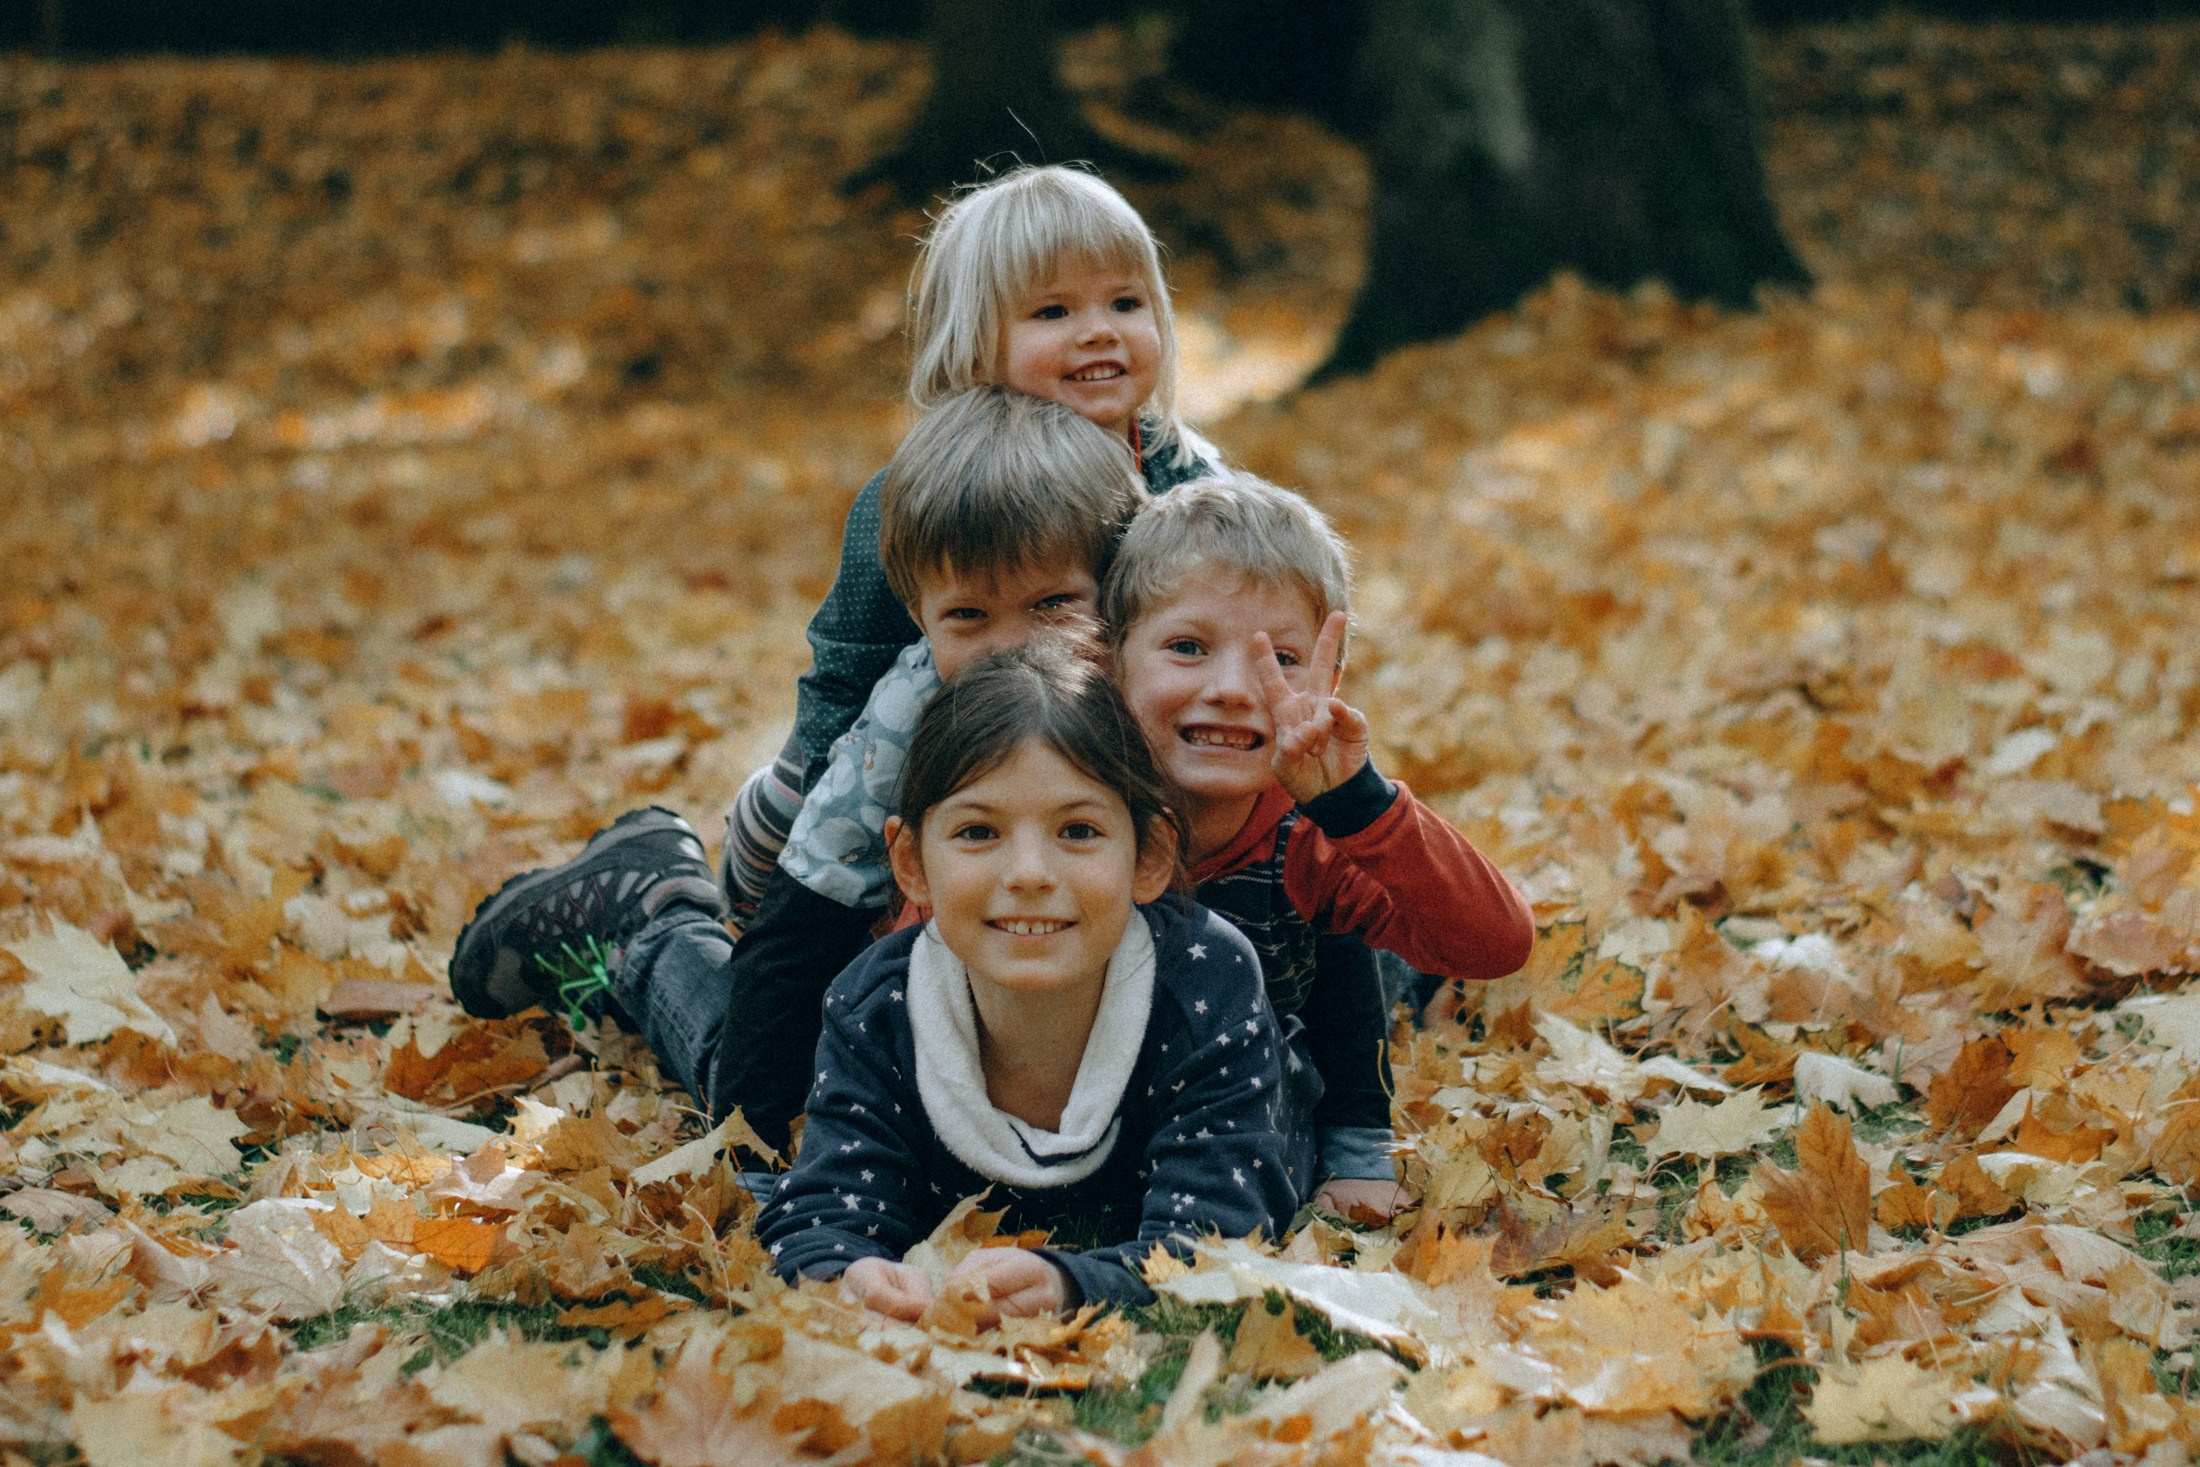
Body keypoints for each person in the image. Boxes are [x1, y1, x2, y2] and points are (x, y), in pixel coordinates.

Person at [446, 387, 1146, 1151]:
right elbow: (807, 913)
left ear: (1113, 593)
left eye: (1050, 606)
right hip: (876, 960)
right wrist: (748, 1132)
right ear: (920, 616)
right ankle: (651, 924)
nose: (1010, 646)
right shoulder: (901, 726)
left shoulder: (1147, 684)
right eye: (969, 617)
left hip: (1054, 975)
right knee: (799, 1076)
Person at [721, 163, 1215, 922]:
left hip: (1106, 726)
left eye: (1125, 301)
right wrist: (815, 796)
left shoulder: (1188, 475)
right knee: (782, 851)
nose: (1098, 330)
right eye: (1052, 311)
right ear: (978, 343)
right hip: (924, 724)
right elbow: (849, 666)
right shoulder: (916, 492)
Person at [759, 639, 1299, 1319]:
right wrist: (851, 1272)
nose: (1029, 873)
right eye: (979, 832)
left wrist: (1074, 1282)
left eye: (1077, 830)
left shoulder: (1205, 985)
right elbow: (821, 1207)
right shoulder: (879, 1005)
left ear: (1151, 855)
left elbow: (1223, 1236)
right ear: (912, 862)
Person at [1102, 471, 1537, 1219]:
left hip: (1301, 1004)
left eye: (1282, 660)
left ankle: (1388, 1058)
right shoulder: (1075, 811)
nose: (1234, 688)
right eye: (1187, 647)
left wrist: (1357, 801)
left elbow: (1499, 941)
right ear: (1112, 660)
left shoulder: (1314, 829)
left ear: (1329, 678)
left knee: (1356, 941)